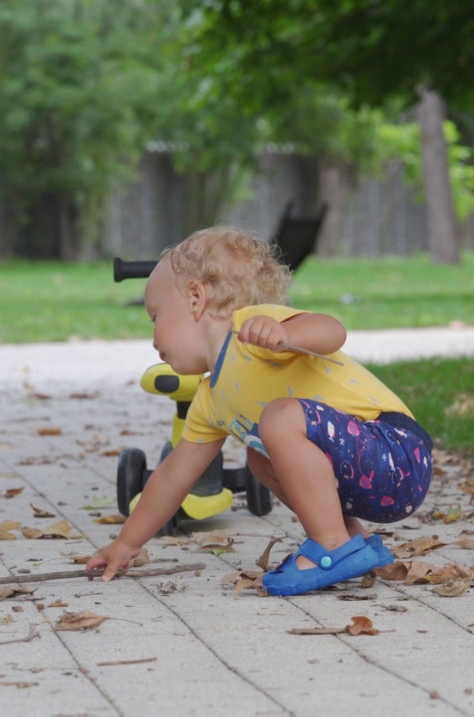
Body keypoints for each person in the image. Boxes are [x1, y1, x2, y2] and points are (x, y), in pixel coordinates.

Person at [87, 227, 433, 596]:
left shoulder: (251, 332)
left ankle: (331, 544)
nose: (153, 338)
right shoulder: (210, 400)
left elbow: (333, 331)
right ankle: (352, 540)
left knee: (279, 418)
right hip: (362, 479)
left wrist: (288, 335)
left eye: (155, 317)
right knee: (258, 455)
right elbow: (173, 477)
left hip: (396, 451)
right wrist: (126, 544)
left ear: (195, 298)